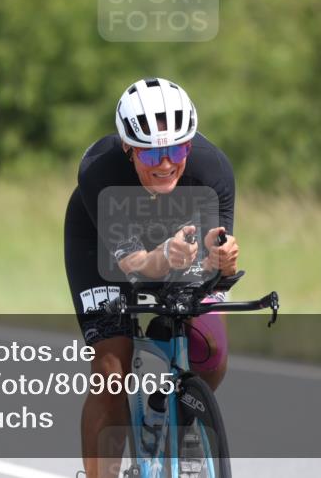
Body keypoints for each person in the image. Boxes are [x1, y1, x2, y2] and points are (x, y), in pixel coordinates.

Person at [64, 77, 240, 478]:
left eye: (177, 149)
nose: (165, 163)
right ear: (128, 148)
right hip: (101, 248)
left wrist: (223, 260)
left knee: (210, 348)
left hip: (176, 243)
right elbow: (135, 266)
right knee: (112, 371)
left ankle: (174, 410)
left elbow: (216, 255)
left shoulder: (214, 169)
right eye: (151, 155)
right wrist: (163, 257)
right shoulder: (98, 168)